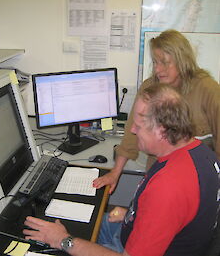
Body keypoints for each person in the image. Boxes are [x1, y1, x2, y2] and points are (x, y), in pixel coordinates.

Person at [23, 84, 220, 256]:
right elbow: (179, 215)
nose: (132, 130)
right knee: (79, 223)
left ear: (162, 130)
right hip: (139, 231)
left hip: (131, 249)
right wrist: (135, 214)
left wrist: (63, 240)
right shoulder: (201, 152)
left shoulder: (168, 186)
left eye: (138, 125)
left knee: (51, 241)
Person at [93, 29, 220, 194]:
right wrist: (115, 173)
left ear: (182, 60)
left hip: (195, 180)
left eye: (165, 62)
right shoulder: (150, 87)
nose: (158, 70)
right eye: (155, 62)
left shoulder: (208, 90)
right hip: (158, 173)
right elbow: (131, 133)